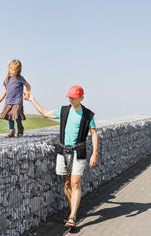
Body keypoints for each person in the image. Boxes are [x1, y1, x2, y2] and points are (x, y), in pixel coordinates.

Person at [27, 85, 99, 229]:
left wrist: (94, 154)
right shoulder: (64, 111)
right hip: (63, 152)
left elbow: (94, 134)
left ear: (81, 98)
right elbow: (45, 113)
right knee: (66, 184)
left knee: (75, 183)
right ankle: (74, 210)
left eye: (73, 97)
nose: (71, 99)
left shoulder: (88, 115)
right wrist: (31, 99)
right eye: (69, 97)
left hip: (79, 153)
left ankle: (72, 216)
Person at [0, 59, 31, 137]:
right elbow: (5, 90)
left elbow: (28, 85)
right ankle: (11, 130)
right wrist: (1, 99)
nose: (12, 71)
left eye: (14, 70)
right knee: (10, 117)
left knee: (16, 116)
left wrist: (28, 92)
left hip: (17, 101)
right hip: (8, 101)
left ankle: (20, 128)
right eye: (11, 69)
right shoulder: (7, 79)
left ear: (18, 71)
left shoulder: (20, 78)